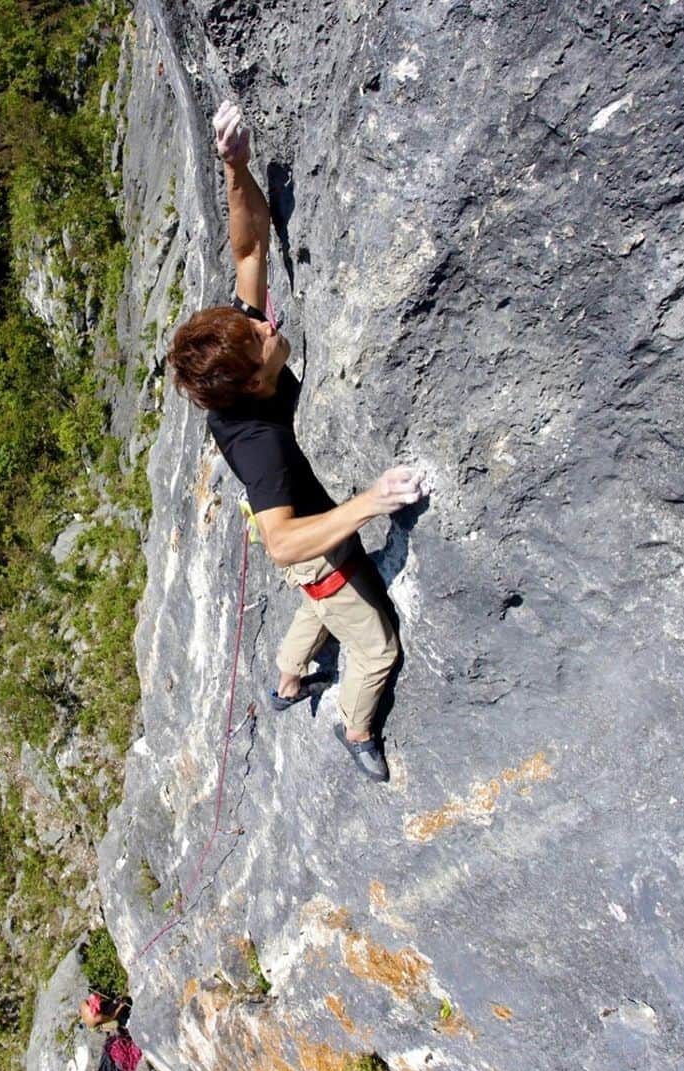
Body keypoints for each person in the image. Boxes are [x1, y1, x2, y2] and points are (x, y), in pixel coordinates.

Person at [166, 101, 426, 782]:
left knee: (319, 592)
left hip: (297, 521)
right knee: (374, 648)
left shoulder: (241, 362)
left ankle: (286, 682)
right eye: (258, 342)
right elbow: (285, 545)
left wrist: (235, 166)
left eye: (254, 327)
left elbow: (248, 246)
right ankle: (356, 728)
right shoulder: (259, 443)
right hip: (301, 533)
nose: (268, 328)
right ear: (251, 385)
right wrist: (371, 502)